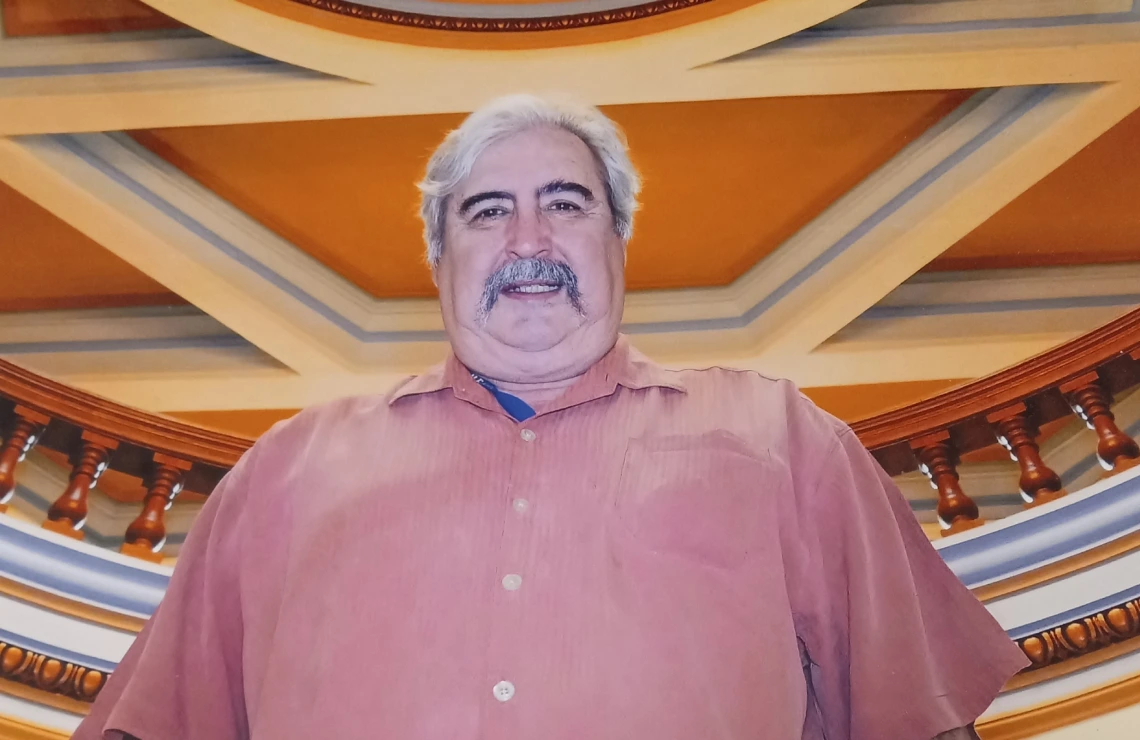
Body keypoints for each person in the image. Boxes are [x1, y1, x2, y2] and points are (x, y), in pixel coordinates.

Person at [75, 94, 1028, 740]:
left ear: (618, 239)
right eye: (486, 213)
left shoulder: (782, 438)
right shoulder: (284, 472)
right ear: (437, 263)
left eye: (564, 205)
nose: (528, 240)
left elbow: (918, 717)